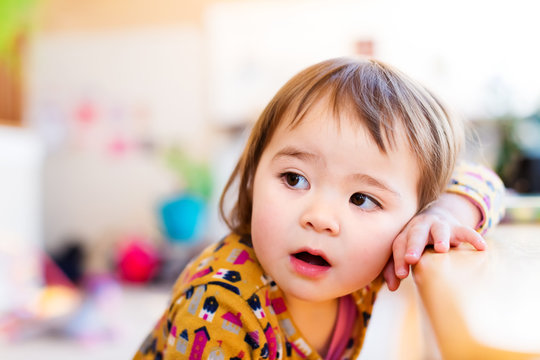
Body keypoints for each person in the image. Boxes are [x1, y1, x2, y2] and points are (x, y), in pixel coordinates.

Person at [133, 57, 504, 360]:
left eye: (361, 199)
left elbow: (483, 180)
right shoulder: (220, 309)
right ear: (252, 174)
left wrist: (443, 215)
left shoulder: (370, 254)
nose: (320, 218)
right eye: (295, 179)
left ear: (410, 217)